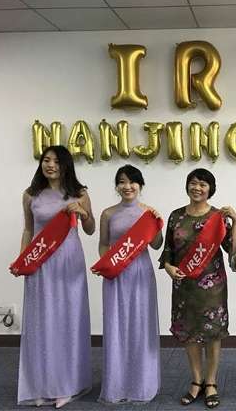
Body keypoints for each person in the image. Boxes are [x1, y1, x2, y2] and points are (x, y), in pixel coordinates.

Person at [15, 145, 94, 408]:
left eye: (57, 161)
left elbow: (91, 228)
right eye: (46, 160)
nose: (51, 165)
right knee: (41, 323)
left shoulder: (79, 193)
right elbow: (28, 230)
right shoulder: (30, 194)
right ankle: (42, 384)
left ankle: (67, 385)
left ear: (66, 165)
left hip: (69, 263)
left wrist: (83, 213)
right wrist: (23, 259)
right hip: (40, 262)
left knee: (68, 322)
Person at [160, 168, 236, 409]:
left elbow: (232, 249)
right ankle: (196, 381)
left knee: (213, 334)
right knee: (189, 333)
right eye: (193, 183)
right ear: (187, 186)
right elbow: (168, 250)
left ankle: (211, 382)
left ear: (210, 189)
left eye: (203, 184)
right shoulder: (175, 216)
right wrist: (169, 267)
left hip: (212, 286)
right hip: (184, 285)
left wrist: (235, 222)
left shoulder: (217, 217)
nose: (197, 188)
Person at [96, 165, 163, 404]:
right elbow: (103, 244)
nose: (127, 186)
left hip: (140, 273)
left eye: (132, 181)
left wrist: (157, 223)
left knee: (140, 325)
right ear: (117, 186)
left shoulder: (148, 212)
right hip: (116, 274)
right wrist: (107, 264)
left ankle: (141, 383)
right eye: (122, 182)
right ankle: (118, 384)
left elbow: (156, 245)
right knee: (116, 325)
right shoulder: (108, 214)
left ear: (140, 185)